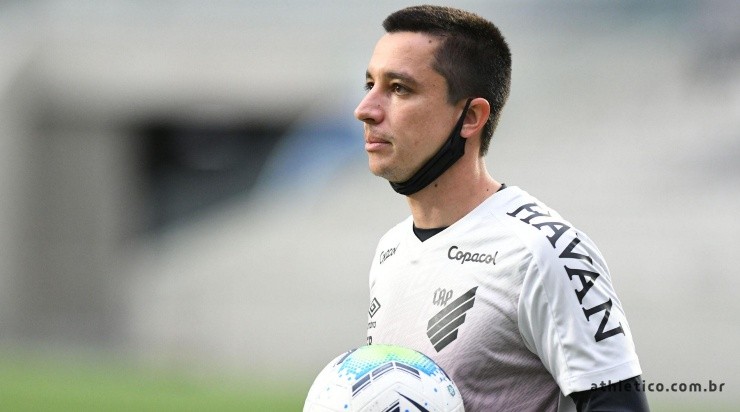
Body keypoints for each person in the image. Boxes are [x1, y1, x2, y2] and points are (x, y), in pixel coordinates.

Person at [354, 5, 649, 412]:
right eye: (370, 84)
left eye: (399, 88)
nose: (365, 109)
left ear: (471, 117)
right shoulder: (391, 248)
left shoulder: (543, 253)